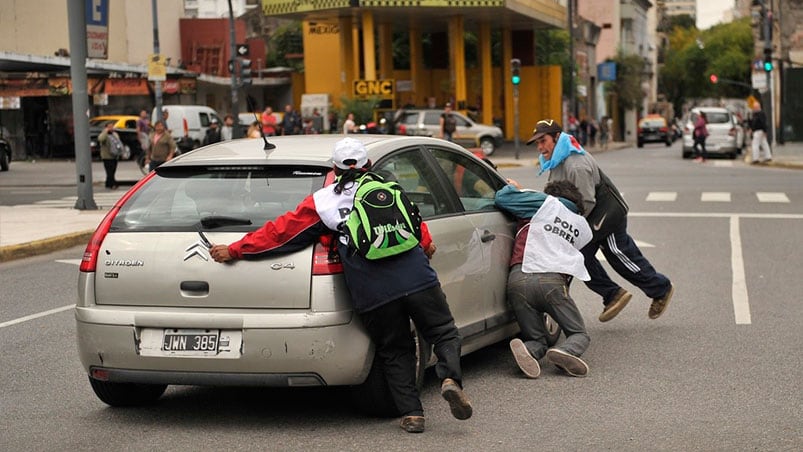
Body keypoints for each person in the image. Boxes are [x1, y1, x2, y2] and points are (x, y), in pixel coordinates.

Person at [209, 137, 473, 434]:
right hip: (417, 278)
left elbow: (279, 233)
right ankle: (450, 379)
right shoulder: (390, 190)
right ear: (368, 165)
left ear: (334, 169)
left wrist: (234, 249)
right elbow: (419, 231)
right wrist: (426, 245)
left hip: (372, 291)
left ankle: (413, 415)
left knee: (395, 348)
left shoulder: (323, 202)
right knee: (443, 332)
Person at [527, 119, 675, 323]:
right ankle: (616, 294)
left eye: (543, 141)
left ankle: (657, 289)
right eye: (537, 143)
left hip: (604, 212)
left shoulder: (576, 165)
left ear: (557, 138)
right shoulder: (557, 159)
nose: (540, 147)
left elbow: (586, 202)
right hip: (589, 215)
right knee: (584, 257)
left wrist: (569, 229)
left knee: (618, 254)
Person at [495, 179, 593, 378]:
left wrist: (512, 186)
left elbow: (502, 198)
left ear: (553, 194)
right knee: (578, 334)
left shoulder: (544, 202)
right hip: (552, 282)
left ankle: (530, 350)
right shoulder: (583, 228)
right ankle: (566, 351)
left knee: (535, 337)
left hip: (518, 280)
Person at [97, 122, 120, 190]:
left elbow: (118, 142)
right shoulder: (104, 135)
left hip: (114, 156)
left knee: (113, 170)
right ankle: (112, 184)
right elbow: (100, 139)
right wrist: (105, 132)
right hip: (107, 156)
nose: (111, 128)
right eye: (109, 127)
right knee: (109, 171)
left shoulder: (115, 134)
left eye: (112, 126)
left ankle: (108, 183)